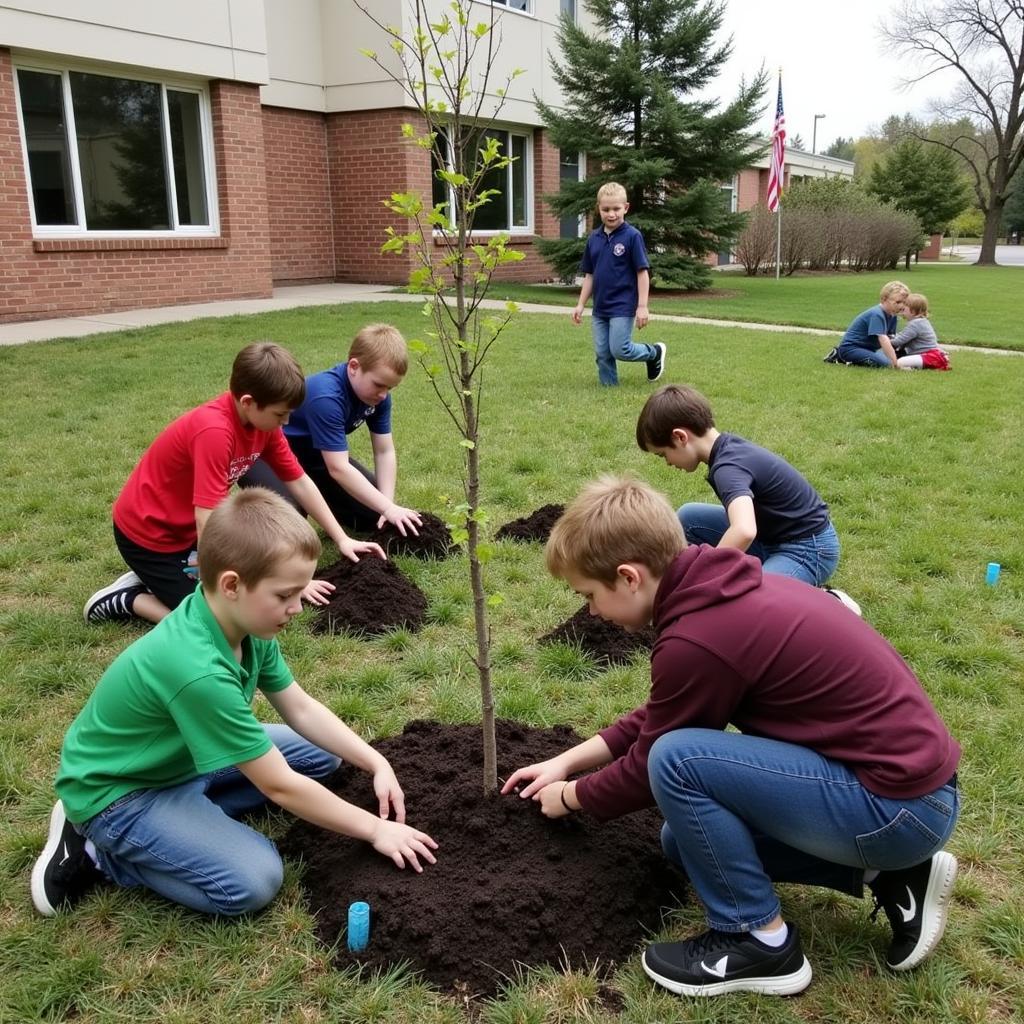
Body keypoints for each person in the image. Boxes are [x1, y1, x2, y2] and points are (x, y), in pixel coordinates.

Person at [503, 477, 960, 998]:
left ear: (629, 577)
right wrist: (566, 762)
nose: (591, 612)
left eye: (590, 595)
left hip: (899, 809)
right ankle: (893, 876)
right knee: (682, 842)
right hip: (906, 798)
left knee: (677, 761)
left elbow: (657, 754)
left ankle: (758, 942)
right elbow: (663, 711)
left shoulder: (698, 639)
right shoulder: (726, 589)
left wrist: (570, 798)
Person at [33, 488, 437, 918]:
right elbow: (277, 785)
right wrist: (375, 829)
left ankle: (187, 821)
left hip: (183, 758)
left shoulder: (241, 624)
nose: (298, 607)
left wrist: (376, 762)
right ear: (232, 585)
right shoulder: (197, 671)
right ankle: (99, 852)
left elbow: (299, 708)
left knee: (325, 757)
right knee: (252, 880)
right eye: (285, 595)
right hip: (122, 791)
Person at [83, 342, 383, 626]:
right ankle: (128, 598)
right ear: (248, 402)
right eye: (281, 414)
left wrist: (342, 539)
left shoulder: (264, 426)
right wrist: (211, 582)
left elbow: (299, 482)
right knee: (219, 619)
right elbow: (207, 515)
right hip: (148, 536)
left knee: (249, 583)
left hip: (188, 531)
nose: (287, 422)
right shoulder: (214, 431)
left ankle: (165, 576)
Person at [637, 384, 850, 600]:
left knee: (753, 600)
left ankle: (827, 599)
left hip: (808, 549)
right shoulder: (727, 448)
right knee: (689, 516)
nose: (667, 463)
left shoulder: (728, 469)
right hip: (770, 535)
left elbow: (744, 530)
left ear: (680, 437)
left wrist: (706, 573)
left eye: (663, 455)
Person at [239, 323, 421, 537]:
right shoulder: (327, 397)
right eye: (379, 384)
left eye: (390, 388)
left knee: (373, 513)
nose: (383, 394)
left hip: (315, 456)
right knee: (289, 521)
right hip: (264, 455)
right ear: (354, 367)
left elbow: (384, 451)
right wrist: (389, 509)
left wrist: (386, 505)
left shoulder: (379, 399)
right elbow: (338, 468)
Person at [573, 181, 666, 387]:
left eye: (616, 209)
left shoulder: (632, 236)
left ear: (626, 208)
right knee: (602, 353)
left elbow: (642, 273)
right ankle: (609, 389)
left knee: (620, 349)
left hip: (623, 305)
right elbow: (590, 275)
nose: (611, 214)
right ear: (599, 209)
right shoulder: (594, 239)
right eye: (606, 209)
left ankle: (654, 353)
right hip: (600, 307)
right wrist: (581, 304)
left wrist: (642, 306)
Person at [825, 280, 909, 368]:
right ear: (884, 299)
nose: (901, 306)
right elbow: (883, 339)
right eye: (898, 302)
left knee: (897, 358)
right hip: (852, 349)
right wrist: (895, 364)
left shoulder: (893, 315)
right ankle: (838, 356)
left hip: (869, 350)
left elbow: (890, 338)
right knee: (886, 364)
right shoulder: (877, 314)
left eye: (904, 302)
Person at [893, 293, 951, 371]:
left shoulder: (915, 324)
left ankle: (914, 369)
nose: (902, 311)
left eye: (904, 309)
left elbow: (898, 341)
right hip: (930, 355)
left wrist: (885, 341)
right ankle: (924, 366)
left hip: (929, 356)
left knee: (899, 362)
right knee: (900, 357)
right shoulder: (921, 322)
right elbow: (903, 336)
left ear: (913, 311)